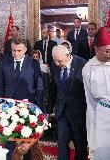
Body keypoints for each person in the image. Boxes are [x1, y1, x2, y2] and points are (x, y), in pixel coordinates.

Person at [0, 38, 44, 160]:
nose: (16, 53)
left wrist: (38, 109)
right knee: (9, 139)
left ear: (25, 50)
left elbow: (39, 87)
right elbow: (0, 85)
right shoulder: (4, 62)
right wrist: (2, 104)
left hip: (28, 108)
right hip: (9, 107)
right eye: (14, 50)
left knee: (25, 139)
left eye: (19, 50)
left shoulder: (34, 63)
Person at [47, 45, 88, 160]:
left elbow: (88, 90)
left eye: (58, 60)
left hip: (78, 113)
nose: (56, 63)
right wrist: (49, 111)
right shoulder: (55, 66)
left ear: (67, 55)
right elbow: (53, 88)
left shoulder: (82, 64)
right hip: (61, 112)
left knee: (80, 144)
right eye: (54, 60)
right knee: (62, 142)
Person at [82, 20, 110, 160]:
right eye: (106, 51)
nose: (109, 54)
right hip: (102, 114)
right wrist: (93, 124)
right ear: (96, 49)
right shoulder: (88, 68)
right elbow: (90, 100)